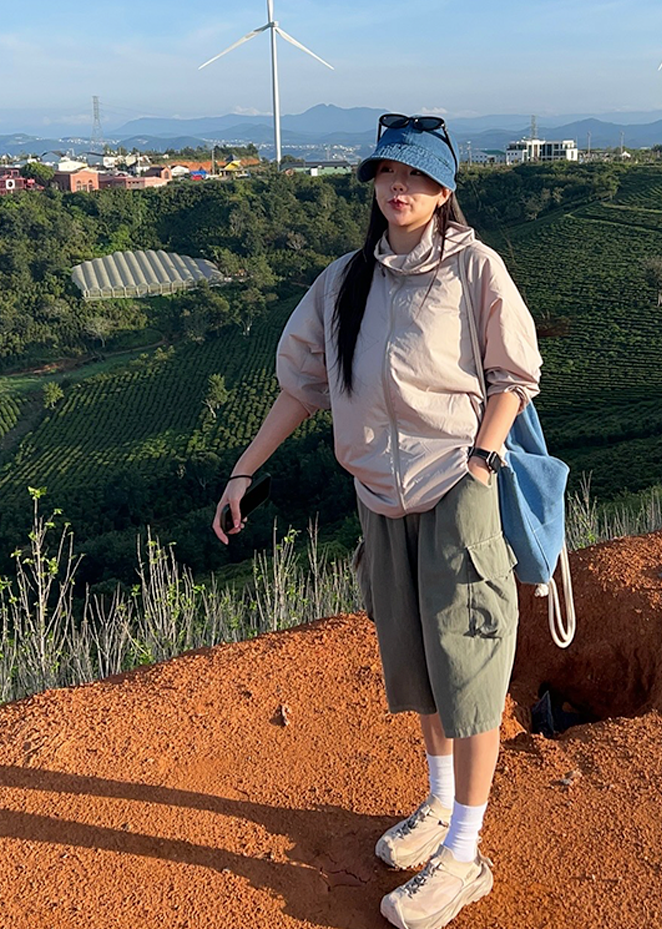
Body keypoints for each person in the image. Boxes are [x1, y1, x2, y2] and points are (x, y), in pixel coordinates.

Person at [213, 114, 541, 929]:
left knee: (468, 668)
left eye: (419, 176)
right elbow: (302, 386)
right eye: (389, 173)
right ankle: (439, 802)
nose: (401, 187)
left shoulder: (475, 268)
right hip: (379, 497)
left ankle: (464, 855)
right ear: (372, 183)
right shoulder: (342, 282)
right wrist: (244, 470)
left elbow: (514, 376)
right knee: (417, 658)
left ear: (445, 190)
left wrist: (481, 462)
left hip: (455, 489)